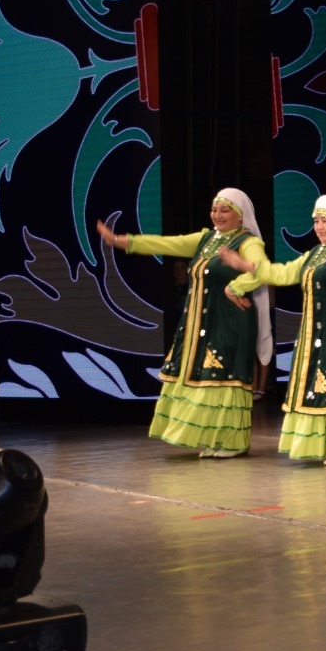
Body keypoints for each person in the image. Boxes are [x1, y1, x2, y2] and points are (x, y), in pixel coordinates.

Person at [96, 189, 272, 458]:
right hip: (199, 323)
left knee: (223, 378)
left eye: (225, 210)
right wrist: (120, 240)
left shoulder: (248, 243)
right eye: (214, 209)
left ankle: (233, 442)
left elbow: (260, 270)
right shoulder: (206, 239)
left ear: (240, 215)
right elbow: (166, 243)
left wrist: (236, 287)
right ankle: (213, 439)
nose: (217, 215)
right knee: (204, 379)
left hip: (229, 322)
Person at [219, 195, 326, 468]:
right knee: (324, 387)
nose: (319, 227)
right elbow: (283, 273)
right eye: (317, 221)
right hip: (319, 334)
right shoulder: (316, 253)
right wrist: (245, 269)